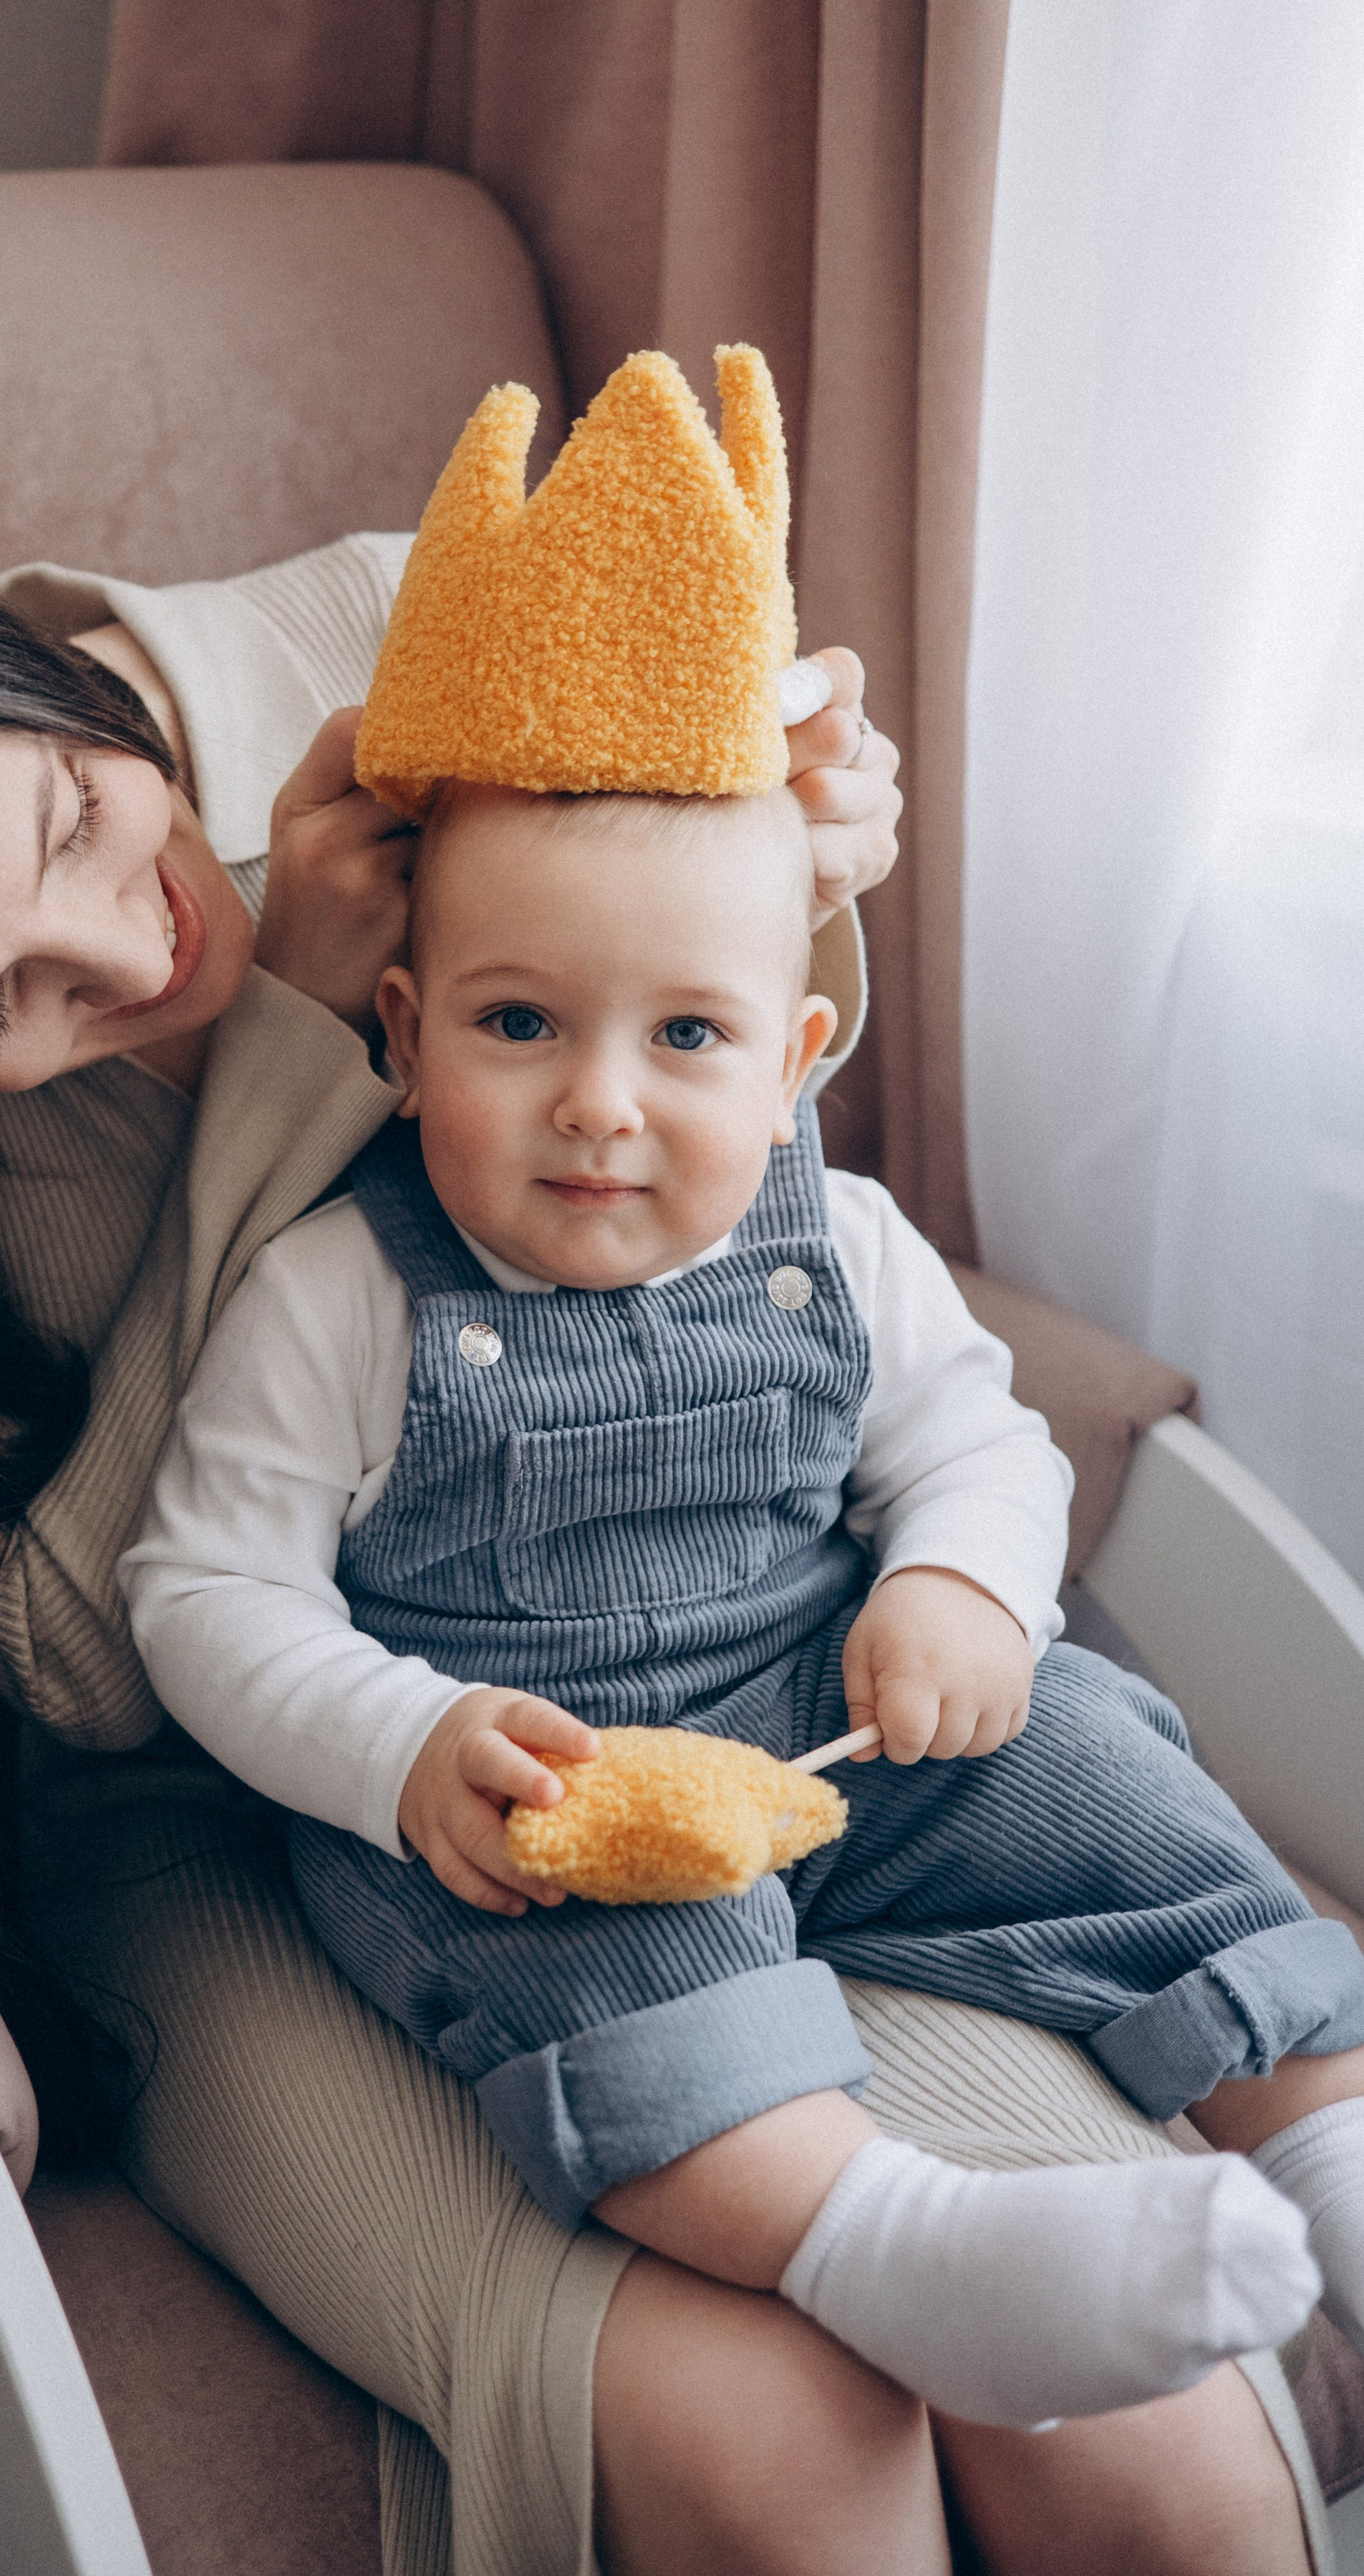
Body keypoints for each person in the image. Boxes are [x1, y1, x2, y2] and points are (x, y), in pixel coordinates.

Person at [0, 493, 1320, 2575]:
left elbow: (745, 1142)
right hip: (241, 1816)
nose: (131, 951)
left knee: (1152, 2441)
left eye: (63, 829)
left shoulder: (410, 632)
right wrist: (283, 1042)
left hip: (739, 1673)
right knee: (770, 2445)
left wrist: (802, 852)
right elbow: (103, 1663)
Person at [126, 763, 1363, 2428]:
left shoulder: (841, 1244)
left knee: (1103, 1778)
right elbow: (206, 1591)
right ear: (406, 1042)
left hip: (837, 1709)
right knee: (607, 1970)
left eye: (685, 1038)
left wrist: (956, 1585)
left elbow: (979, 1445)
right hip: (552, 1780)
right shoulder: (336, 1294)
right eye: (519, 1026)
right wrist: (410, 1747)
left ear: (790, 1065)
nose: (598, 1103)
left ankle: (1325, 2145)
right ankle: (896, 2244)